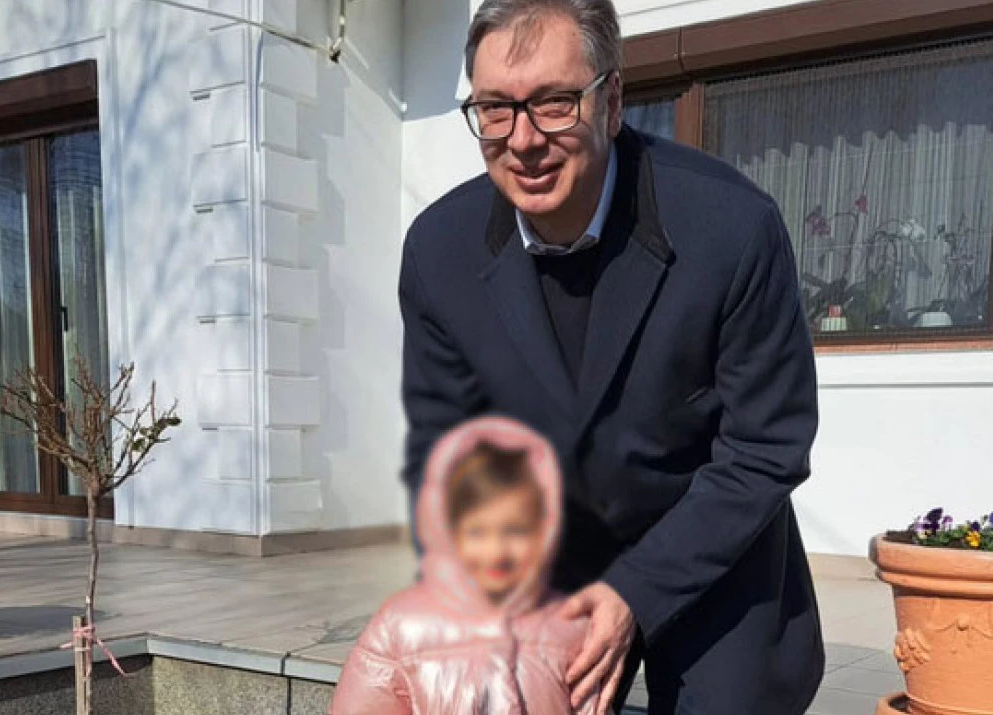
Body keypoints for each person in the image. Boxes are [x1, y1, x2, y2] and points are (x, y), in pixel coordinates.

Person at [399, 1, 824, 713]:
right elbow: (454, 449)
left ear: (613, 100)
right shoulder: (438, 252)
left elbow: (766, 446)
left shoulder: (731, 228)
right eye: (495, 108)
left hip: (713, 543)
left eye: (554, 102)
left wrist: (635, 592)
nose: (523, 140)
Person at [330, 416, 598, 715]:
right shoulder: (400, 626)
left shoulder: (570, 627)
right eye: (477, 532)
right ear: (448, 531)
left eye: (515, 531)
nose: (496, 552)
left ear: (543, 530)